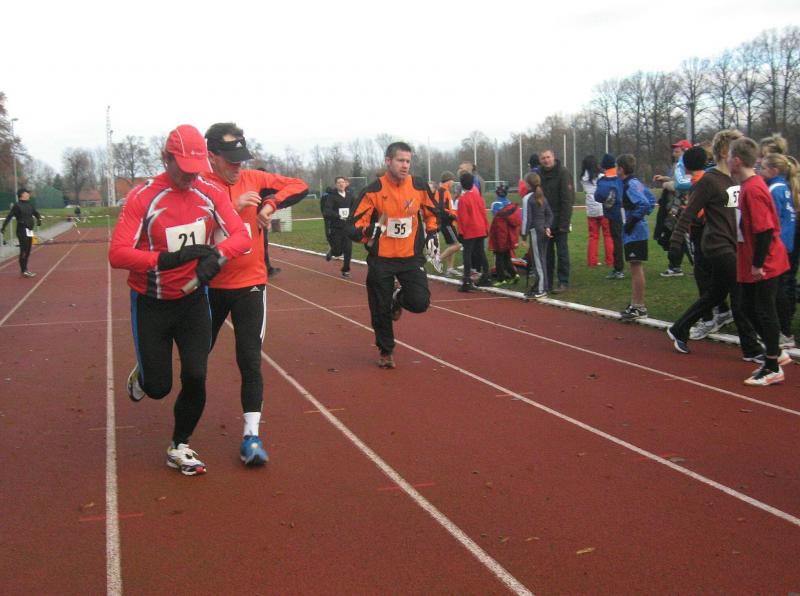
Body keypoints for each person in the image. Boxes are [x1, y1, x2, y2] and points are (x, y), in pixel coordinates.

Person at [108, 124, 250, 475]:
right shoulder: (143, 197)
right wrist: (167, 259)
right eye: (183, 168)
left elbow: (241, 236)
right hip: (151, 301)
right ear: (166, 158)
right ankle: (143, 376)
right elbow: (117, 253)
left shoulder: (210, 192)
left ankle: (180, 445)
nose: (189, 176)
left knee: (196, 375)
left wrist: (217, 257)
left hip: (193, 302)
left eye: (195, 168)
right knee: (158, 387)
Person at [202, 122, 308, 465]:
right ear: (212, 156)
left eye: (241, 158)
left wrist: (270, 204)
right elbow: (190, 226)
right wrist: (232, 207)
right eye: (230, 159)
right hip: (209, 286)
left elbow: (299, 185)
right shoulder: (199, 184)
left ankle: (251, 437)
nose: (238, 165)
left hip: (250, 284)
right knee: (195, 360)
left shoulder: (254, 179)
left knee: (249, 359)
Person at [665, 130, 764, 357]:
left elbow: (736, 213)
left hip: (733, 244)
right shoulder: (710, 180)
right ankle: (751, 348)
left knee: (716, 294)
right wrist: (675, 242)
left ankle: (679, 328)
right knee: (739, 294)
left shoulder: (736, 180)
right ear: (724, 153)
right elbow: (688, 212)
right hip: (717, 245)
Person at [347, 141, 438, 369]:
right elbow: (353, 226)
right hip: (382, 259)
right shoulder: (373, 191)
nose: (405, 165)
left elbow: (432, 212)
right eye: (400, 160)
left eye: (408, 161)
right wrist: (369, 231)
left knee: (420, 302)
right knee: (380, 308)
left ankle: (398, 298)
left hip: (410, 257)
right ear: (388, 161)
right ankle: (386, 350)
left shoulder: (418, 186)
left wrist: (432, 233)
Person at [727, 136, 791, 386]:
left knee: (764, 310)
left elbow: (764, 230)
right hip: (751, 257)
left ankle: (773, 365)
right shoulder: (746, 186)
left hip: (766, 260)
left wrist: (757, 263)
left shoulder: (753, 189)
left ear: (737, 160)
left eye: (729, 157)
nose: (726, 161)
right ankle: (775, 352)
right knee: (746, 306)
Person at [761, 152, 798, 348]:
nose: (760, 171)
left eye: (764, 168)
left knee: (776, 291)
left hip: (779, 245)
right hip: (787, 244)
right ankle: (782, 331)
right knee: (779, 289)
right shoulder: (784, 187)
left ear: (774, 170)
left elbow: (772, 220)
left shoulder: (774, 189)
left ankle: (783, 332)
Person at [617, 154, 655, 321]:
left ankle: (639, 306)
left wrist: (632, 221)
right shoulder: (636, 182)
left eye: (617, 167)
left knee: (636, 268)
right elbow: (651, 200)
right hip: (636, 231)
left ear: (621, 169)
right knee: (634, 267)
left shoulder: (630, 184)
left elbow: (645, 203)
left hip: (635, 232)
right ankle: (635, 304)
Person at [654, 139, 693, 277]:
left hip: (681, 207)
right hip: (675, 207)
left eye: (677, 151)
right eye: (674, 151)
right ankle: (675, 266)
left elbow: (683, 186)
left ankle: (691, 266)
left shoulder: (687, 166)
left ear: (685, 152)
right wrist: (665, 178)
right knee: (677, 237)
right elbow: (676, 181)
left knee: (682, 238)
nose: (674, 153)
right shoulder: (679, 166)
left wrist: (666, 184)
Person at [538, 149, 574, 293]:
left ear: (553, 157)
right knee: (547, 253)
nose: (546, 160)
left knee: (562, 252)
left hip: (560, 220)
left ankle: (563, 282)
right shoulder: (539, 174)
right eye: (543, 158)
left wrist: (564, 223)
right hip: (545, 221)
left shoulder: (563, 173)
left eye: (548, 157)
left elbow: (567, 199)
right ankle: (547, 281)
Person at [455, 171, 491, 292]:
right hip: (481, 228)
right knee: (481, 252)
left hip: (470, 230)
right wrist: (486, 228)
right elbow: (483, 214)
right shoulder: (478, 197)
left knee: (467, 254)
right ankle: (486, 275)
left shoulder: (463, 199)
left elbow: (463, 219)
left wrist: (461, 232)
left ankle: (467, 280)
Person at [522, 172, 553, 299]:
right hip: (544, 231)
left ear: (528, 184)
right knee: (541, 259)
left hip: (535, 232)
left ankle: (541, 289)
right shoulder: (542, 197)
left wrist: (523, 235)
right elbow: (550, 214)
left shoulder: (527, 198)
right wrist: (547, 227)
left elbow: (526, 219)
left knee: (538, 261)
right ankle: (541, 285)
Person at [594, 153, 625, 279]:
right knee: (621, 239)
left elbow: (598, 196)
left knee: (616, 240)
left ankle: (618, 269)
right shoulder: (620, 178)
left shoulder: (603, 181)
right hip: (624, 211)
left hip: (613, 213)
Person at [581, 155, 613, 268]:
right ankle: (610, 261)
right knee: (608, 235)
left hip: (591, 209)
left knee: (593, 236)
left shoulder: (583, 178)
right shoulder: (601, 176)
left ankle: (592, 261)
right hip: (603, 208)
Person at [2, 188, 42, 278]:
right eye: (26, 193)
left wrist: (39, 219)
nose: (28, 194)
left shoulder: (29, 205)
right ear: (21, 195)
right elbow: (9, 216)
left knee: (28, 251)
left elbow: (36, 213)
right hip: (22, 230)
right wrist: (3, 227)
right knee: (24, 250)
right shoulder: (17, 206)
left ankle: (25, 269)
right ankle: (24, 270)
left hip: (29, 231)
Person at [322, 176, 355, 277]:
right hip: (336, 228)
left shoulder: (350, 196)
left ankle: (346, 270)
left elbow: (355, 208)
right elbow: (327, 211)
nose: (341, 184)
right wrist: (338, 215)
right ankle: (332, 251)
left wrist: (353, 217)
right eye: (339, 182)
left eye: (342, 182)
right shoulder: (331, 197)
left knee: (348, 250)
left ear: (345, 184)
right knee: (337, 252)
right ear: (336, 185)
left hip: (347, 227)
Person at [488, 188, 521, 285]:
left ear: (497, 194)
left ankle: (501, 279)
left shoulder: (495, 204)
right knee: (507, 256)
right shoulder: (510, 204)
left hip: (499, 233)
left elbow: (495, 217)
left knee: (499, 257)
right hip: (509, 234)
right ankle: (514, 274)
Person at [434, 171, 462, 276]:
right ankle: (438, 259)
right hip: (447, 223)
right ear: (449, 180)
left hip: (447, 222)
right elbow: (441, 209)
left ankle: (450, 268)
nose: (453, 182)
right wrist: (453, 216)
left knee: (452, 245)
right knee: (457, 245)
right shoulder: (442, 191)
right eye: (452, 180)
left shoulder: (444, 190)